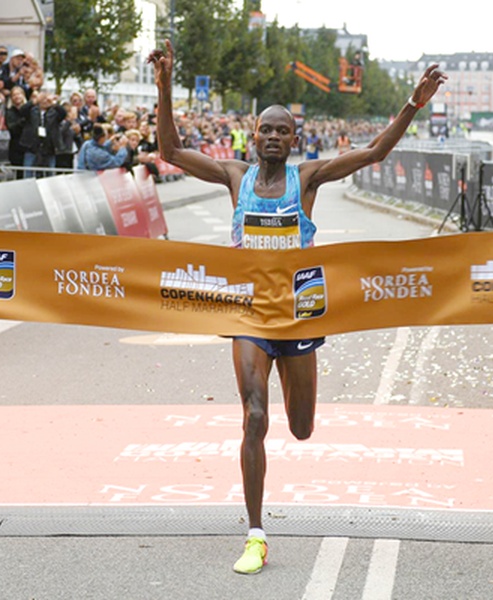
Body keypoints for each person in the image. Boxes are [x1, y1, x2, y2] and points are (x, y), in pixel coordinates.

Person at [148, 39, 446, 575]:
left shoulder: (305, 179)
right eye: (266, 130)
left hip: (300, 317)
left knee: (301, 427)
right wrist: (166, 85)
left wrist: (412, 105)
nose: (274, 138)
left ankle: (292, 391)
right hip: (248, 315)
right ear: (254, 134)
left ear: (294, 139)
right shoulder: (234, 177)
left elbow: (373, 153)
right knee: (255, 414)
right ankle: (256, 534)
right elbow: (169, 151)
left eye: (284, 131)